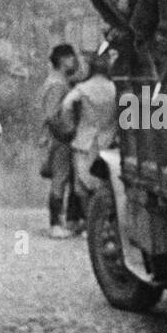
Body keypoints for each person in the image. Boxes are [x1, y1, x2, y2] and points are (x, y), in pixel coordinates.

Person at [58, 49, 119, 216]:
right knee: (103, 185)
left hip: (83, 141)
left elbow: (67, 105)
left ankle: (89, 223)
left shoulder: (83, 88)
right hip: (107, 141)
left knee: (82, 187)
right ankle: (101, 220)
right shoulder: (113, 88)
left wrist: (69, 126)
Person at [40, 43, 83, 237]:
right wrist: (67, 132)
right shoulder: (57, 84)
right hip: (60, 139)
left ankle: (65, 221)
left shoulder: (59, 81)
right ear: (62, 60)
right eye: (70, 57)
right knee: (60, 178)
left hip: (60, 138)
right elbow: (51, 115)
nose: (74, 61)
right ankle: (55, 224)